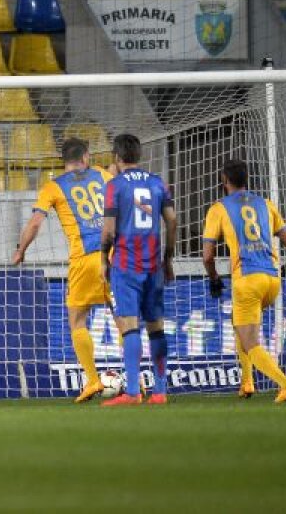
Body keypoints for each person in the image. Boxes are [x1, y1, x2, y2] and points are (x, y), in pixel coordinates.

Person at [11, 137, 114, 403]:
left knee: (77, 320)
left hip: (85, 259)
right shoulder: (102, 174)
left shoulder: (53, 187)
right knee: (124, 318)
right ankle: (136, 382)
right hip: (115, 254)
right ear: (86, 156)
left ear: (63, 161)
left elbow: (35, 223)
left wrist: (21, 250)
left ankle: (92, 380)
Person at [202, 159, 286, 404]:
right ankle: (247, 382)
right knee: (238, 322)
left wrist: (214, 278)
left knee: (250, 341)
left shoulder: (218, 209)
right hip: (272, 279)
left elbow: (207, 256)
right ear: (247, 179)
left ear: (224, 180)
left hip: (247, 280)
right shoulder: (266, 204)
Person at [100, 134, 176, 406]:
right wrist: (168, 258)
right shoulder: (157, 183)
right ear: (139, 155)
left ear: (116, 157)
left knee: (130, 328)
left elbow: (109, 230)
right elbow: (172, 220)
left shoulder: (114, 186)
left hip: (126, 265)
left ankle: (132, 392)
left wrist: (103, 259)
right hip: (154, 265)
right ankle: (160, 391)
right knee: (156, 328)